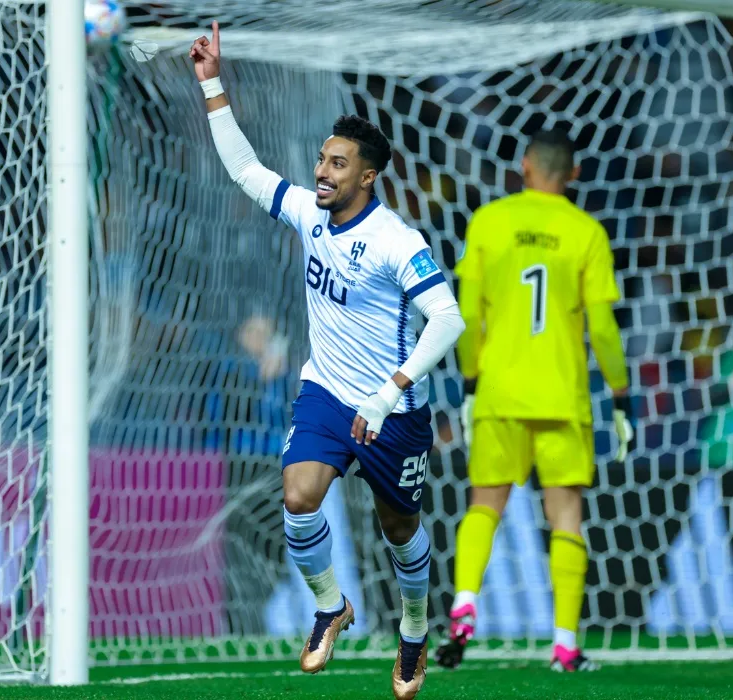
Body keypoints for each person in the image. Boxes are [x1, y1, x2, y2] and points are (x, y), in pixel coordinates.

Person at [190, 22, 464, 699]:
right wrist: (212, 85)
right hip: (327, 393)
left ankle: (412, 630)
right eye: (321, 159)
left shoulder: (398, 241)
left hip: (392, 408)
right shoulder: (310, 216)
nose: (321, 170)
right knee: (298, 497)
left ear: (366, 177)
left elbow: (449, 319)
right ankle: (330, 607)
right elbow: (248, 172)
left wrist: (390, 388)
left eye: (337, 164)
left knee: (401, 531)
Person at [436, 129, 634, 672]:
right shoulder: (586, 230)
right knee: (567, 514)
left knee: (484, 504)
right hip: (562, 395)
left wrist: (472, 379)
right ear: (572, 175)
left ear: (524, 165)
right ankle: (566, 646)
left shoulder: (489, 222)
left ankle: (464, 612)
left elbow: (467, 313)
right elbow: (604, 328)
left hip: (498, 390)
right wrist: (620, 393)